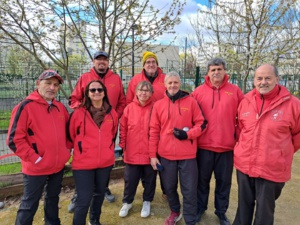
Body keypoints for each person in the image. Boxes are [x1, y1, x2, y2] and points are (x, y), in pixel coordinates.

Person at [233, 64, 300, 225]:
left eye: (268, 78)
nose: (263, 82)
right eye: (259, 78)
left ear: (277, 79)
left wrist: (281, 153)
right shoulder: (246, 101)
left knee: (264, 212)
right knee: (243, 207)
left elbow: (297, 136)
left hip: (272, 168)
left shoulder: (293, 105)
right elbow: (240, 130)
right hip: (245, 165)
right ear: (254, 80)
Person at [6, 70, 71, 225]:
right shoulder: (25, 106)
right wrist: (35, 158)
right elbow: (14, 140)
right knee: (29, 204)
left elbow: (68, 134)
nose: (52, 87)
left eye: (55, 85)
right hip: (36, 167)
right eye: (48, 83)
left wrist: (66, 152)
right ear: (38, 84)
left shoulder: (60, 108)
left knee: (53, 199)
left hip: (57, 166)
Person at [68, 50, 126, 211]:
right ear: (93, 62)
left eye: (104, 59)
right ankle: (79, 194)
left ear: (108, 62)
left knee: (105, 157)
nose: (102, 62)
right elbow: (74, 100)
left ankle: (104, 187)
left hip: (108, 127)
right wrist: (83, 114)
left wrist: (113, 117)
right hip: (87, 129)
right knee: (85, 159)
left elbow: (122, 101)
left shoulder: (115, 79)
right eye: (98, 59)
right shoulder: (85, 78)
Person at [149, 71, 207, 225]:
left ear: (179, 83)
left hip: (187, 155)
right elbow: (153, 131)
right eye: (170, 83)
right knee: (169, 188)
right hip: (166, 156)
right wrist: (152, 156)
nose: (173, 85)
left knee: (189, 190)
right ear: (165, 85)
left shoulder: (191, 102)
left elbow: (202, 124)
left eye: (175, 82)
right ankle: (175, 211)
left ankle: (190, 219)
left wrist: (187, 135)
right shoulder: (158, 105)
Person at [191, 58, 243, 225]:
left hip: (226, 147)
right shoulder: (198, 92)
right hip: (203, 146)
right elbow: (191, 118)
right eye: (213, 70)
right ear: (208, 72)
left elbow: (242, 118)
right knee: (201, 181)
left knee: (223, 183)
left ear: (225, 70)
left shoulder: (235, 92)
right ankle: (200, 207)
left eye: (219, 69)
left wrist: (237, 136)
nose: (216, 72)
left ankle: (221, 212)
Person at [68, 80, 118, 225]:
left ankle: (94, 220)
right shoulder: (78, 114)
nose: (96, 92)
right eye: (93, 90)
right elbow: (71, 136)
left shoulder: (112, 114)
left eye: (99, 90)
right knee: (84, 199)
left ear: (104, 93)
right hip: (83, 164)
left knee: (99, 195)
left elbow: (112, 135)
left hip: (105, 163)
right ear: (87, 94)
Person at [126, 51, 167, 200]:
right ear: (143, 65)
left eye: (153, 62)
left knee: (162, 157)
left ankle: (166, 190)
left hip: (163, 125)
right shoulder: (136, 80)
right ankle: (144, 190)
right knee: (146, 158)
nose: (151, 64)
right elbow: (129, 101)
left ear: (157, 64)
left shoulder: (165, 79)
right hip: (141, 124)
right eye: (148, 62)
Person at [118, 81, 156, 218]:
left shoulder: (155, 108)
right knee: (130, 179)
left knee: (150, 179)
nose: (143, 93)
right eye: (141, 90)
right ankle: (127, 202)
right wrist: (123, 146)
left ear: (151, 93)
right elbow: (123, 128)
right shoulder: (128, 108)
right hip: (132, 152)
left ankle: (147, 201)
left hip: (149, 152)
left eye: (147, 90)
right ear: (136, 92)